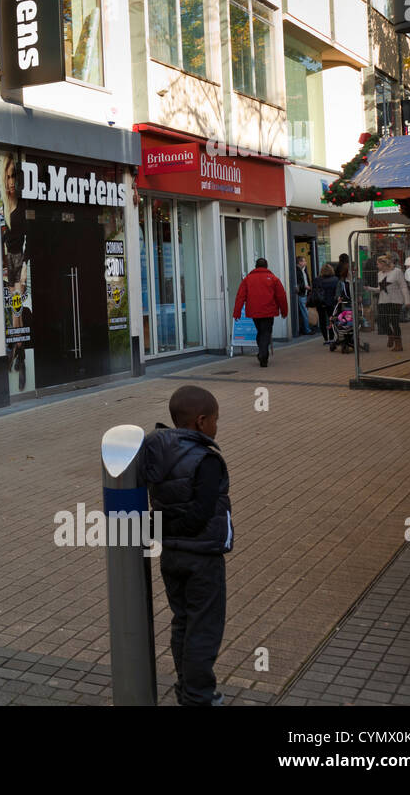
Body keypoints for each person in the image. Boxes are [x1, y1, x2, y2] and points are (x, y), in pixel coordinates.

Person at [139, 385, 233, 707]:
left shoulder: (156, 453)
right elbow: (201, 513)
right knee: (204, 629)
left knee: (183, 622)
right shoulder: (207, 460)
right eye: (216, 420)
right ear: (201, 421)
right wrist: (178, 529)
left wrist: (160, 530)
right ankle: (198, 697)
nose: (217, 427)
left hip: (172, 557)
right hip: (203, 557)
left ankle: (187, 688)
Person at [232, 258, 288, 367]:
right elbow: (281, 296)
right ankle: (263, 355)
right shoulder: (273, 279)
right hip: (269, 311)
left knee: (260, 331)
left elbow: (240, 296)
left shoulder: (248, 279)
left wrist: (237, 312)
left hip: (254, 311)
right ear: (266, 266)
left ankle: (262, 352)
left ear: (256, 266)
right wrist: (284, 311)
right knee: (266, 332)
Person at [375, 254, 410, 352]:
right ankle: (390, 335)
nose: (377, 266)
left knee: (394, 322)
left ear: (384, 264)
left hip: (396, 301)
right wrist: (370, 289)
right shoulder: (379, 274)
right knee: (381, 320)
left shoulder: (397, 272)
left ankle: (399, 344)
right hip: (383, 301)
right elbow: (381, 288)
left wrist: (407, 300)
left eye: (378, 264)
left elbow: (403, 286)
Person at [312, 263, 340, 343]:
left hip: (320, 302)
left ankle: (325, 338)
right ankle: (331, 337)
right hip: (331, 302)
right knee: (331, 319)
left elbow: (314, 290)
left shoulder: (317, 279)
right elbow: (337, 291)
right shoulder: (335, 279)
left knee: (322, 320)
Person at [294, 257, 313, 336]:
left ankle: (305, 328)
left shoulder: (304, 270)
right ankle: (307, 330)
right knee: (304, 312)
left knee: (304, 312)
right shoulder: (296, 271)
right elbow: (297, 283)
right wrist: (304, 286)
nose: (305, 262)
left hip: (305, 293)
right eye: (304, 261)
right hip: (301, 294)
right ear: (299, 262)